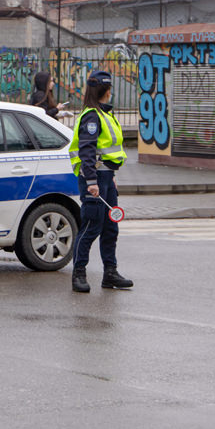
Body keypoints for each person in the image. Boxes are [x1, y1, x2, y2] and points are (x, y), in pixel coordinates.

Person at [69, 70, 132, 293]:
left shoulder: (105, 114)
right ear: (105, 91)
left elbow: (107, 152)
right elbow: (87, 151)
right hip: (94, 178)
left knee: (110, 227)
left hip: (106, 177)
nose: (111, 92)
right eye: (110, 88)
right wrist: (92, 181)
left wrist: (110, 179)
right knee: (90, 226)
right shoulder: (92, 116)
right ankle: (79, 273)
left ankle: (110, 273)